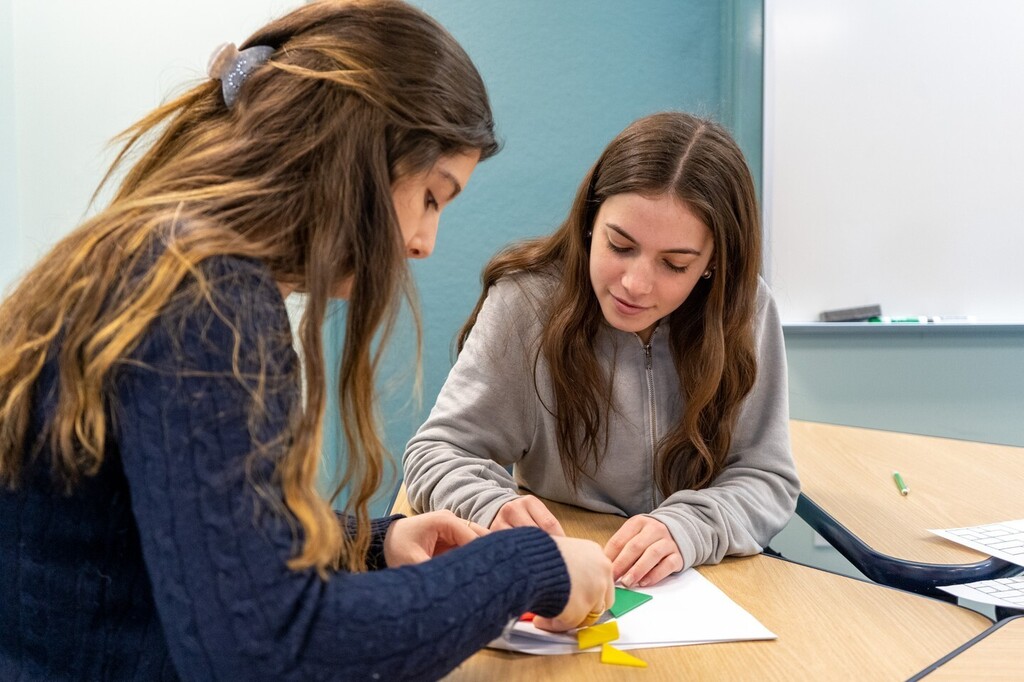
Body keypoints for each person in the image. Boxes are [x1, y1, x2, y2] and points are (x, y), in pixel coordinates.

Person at [0, 2, 615, 680]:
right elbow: (265, 650)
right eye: (433, 197)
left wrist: (369, 543)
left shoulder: (160, 258)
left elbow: (196, 523)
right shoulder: (208, 300)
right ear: (360, 155)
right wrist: (526, 567)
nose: (423, 242)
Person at [404, 111, 800, 590]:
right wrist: (491, 506)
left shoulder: (745, 309)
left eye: (675, 264)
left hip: (702, 581)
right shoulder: (525, 303)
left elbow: (766, 477)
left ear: (713, 264)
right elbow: (438, 451)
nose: (635, 284)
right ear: (591, 220)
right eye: (620, 245)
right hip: (570, 570)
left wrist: (690, 527)